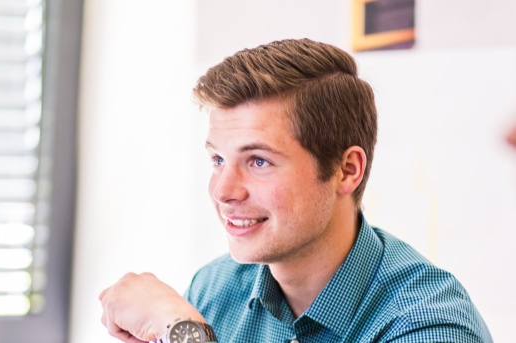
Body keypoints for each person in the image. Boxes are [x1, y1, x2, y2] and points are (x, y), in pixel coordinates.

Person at [99, 38, 493, 343]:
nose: (223, 191)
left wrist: (185, 333)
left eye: (258, 161)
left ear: (346, 170)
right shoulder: (215, 288)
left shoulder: (429, 323)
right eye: (218, 160)